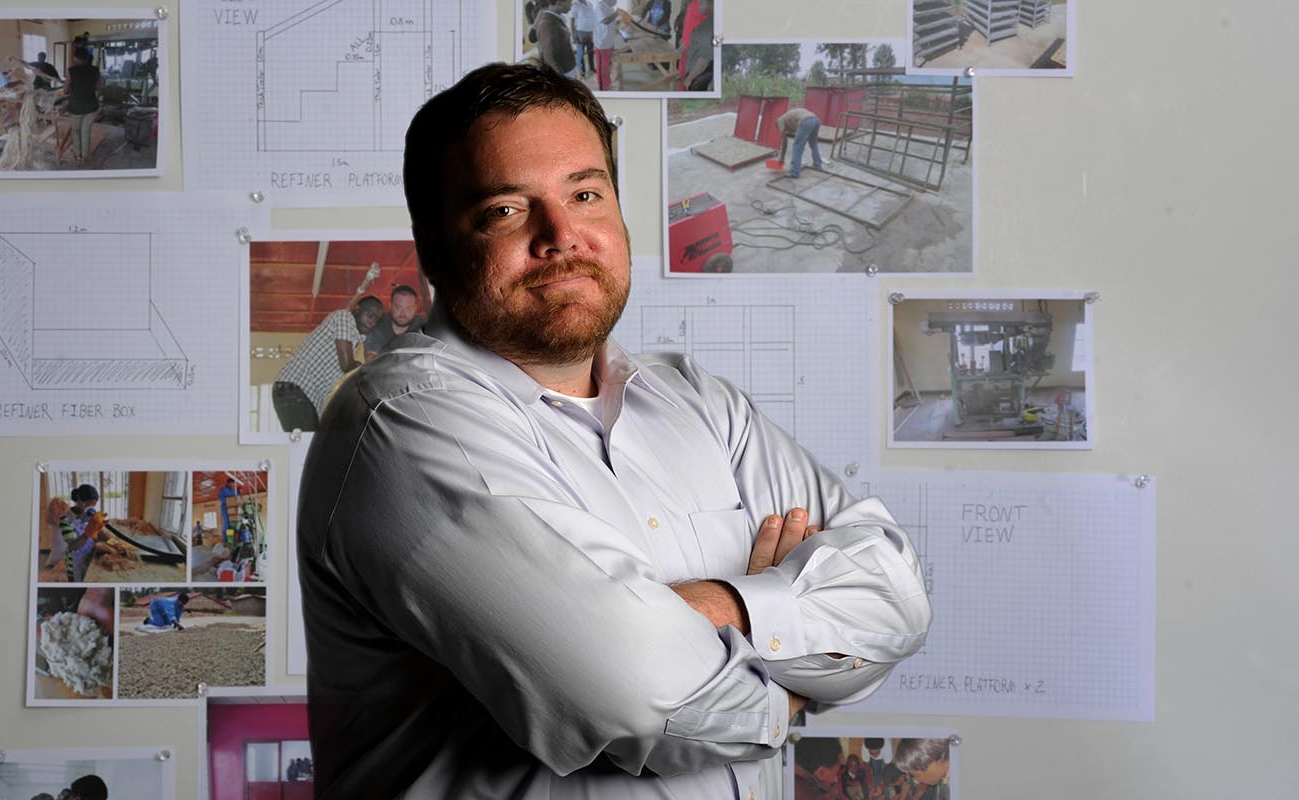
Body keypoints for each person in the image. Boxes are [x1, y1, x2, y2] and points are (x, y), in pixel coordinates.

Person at [298, 61, 930, 798]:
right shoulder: (400, 424)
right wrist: (791, 682)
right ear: (433, 247)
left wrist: (724, 607)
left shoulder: (698, 401)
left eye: (586, 193)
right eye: (506, 210)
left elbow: (896, 593)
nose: (562, 235)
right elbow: (642, 701)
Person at [272, 293, 382, 432]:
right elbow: (347, 366)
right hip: (294, 390)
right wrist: (374, 373)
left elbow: (333, 383)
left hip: (301, 395)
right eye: (370, 315)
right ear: (357, 309)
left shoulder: (354, 342)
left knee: (309, 447)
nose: (372, 322)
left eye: (376, 320)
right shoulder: (344, 317)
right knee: (307, 446)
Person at [361, 285, 424, 359]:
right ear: (390, 305)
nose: (403, 313)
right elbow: (371, 358)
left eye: (408, 308)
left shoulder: (424, 327)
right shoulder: (378, 325)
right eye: (398, 307)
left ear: (415, 308)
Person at [58, 484, 105, 582]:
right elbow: (73, 545)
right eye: (88, 505)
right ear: (79, 501)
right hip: (75, 564)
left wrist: (100, 531)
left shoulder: (89, 516)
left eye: (93, 506)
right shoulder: (65, 520)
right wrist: (89, 532)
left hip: (88, 558)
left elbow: (94, 538)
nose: (91, 508)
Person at [64, 47, 100, 166]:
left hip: (76, 107)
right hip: (91, 106)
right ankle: (85, 156)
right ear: (86, 58)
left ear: (75, 58)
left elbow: (65, 90)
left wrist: (70, 88)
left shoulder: (71, 70)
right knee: (86, 131)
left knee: (76, 131)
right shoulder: (95, 70)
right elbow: (98, 88)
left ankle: (77, 155)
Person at [777, 106, 825, 178]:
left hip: (806, 121)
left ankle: (795, 172)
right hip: (816, 119)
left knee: (797, 146)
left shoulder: (779, 122)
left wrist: (782, 157)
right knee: (813, 143)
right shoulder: (787, 118)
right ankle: (817, 164)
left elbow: (785, 141)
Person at [533, 0, 577, 79]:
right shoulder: (548, 23)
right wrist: (559, 79)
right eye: (569, 2)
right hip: (562, 73)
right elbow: (549, 57)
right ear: (559, 2)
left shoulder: (556, 18)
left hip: (566, 69)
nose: (571, 5)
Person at [592, 0, 621, 91]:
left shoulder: (610, 7)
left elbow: (611, 21)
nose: (616, 1)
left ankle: (607, 84)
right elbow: (605, 21)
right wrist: (616, 14)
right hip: (602, 43)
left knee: (608, 66)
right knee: (603, 67)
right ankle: (603, 88)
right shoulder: (600, 6)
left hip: (609, 42)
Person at [569, 0, 597, 76]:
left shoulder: (589, 3)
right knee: (580, 53)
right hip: (580, 32)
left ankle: (591, 68)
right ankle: (582, 71)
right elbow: (572, 20)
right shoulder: (575, 5)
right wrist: (573, 35)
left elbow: (593, 17)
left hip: (590, 31)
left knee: (590, 52)